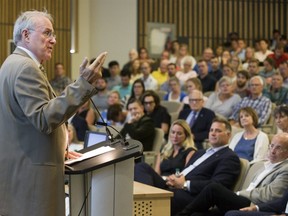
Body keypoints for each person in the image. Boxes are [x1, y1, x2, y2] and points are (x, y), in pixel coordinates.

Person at [0, 10, 107, 215]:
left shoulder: (11, 63)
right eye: (47, 33)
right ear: (26, 35)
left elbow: (23, 122)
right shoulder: (25, 68)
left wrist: (59, 151)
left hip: (23, 170)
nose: (54, 40)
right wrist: (82, 85)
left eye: (53, 34)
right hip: (32, 178)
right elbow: (43, 118)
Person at [136, 118, 241, 216]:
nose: (213, 133)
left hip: (191, 195)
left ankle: (146, 201)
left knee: (163, 197)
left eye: (218, 131)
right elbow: (185, 172)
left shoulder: (229, 157)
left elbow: (218, 185)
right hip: (174, 186)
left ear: (228, 135)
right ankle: (147, 197)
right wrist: (175, 179)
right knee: (141, 167)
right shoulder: (200, 153)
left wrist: (185, 184)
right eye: (211, 130)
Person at [176, 133, 288, 216]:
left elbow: (270, 195)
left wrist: (240, 193)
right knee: (197, 215)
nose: (272, 151)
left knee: (213, 188)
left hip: (253, 204)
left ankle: (182, 214)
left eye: (278, 148)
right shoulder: (265, 165)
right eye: (271, 146)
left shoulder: (285, 169)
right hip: (244, 199)